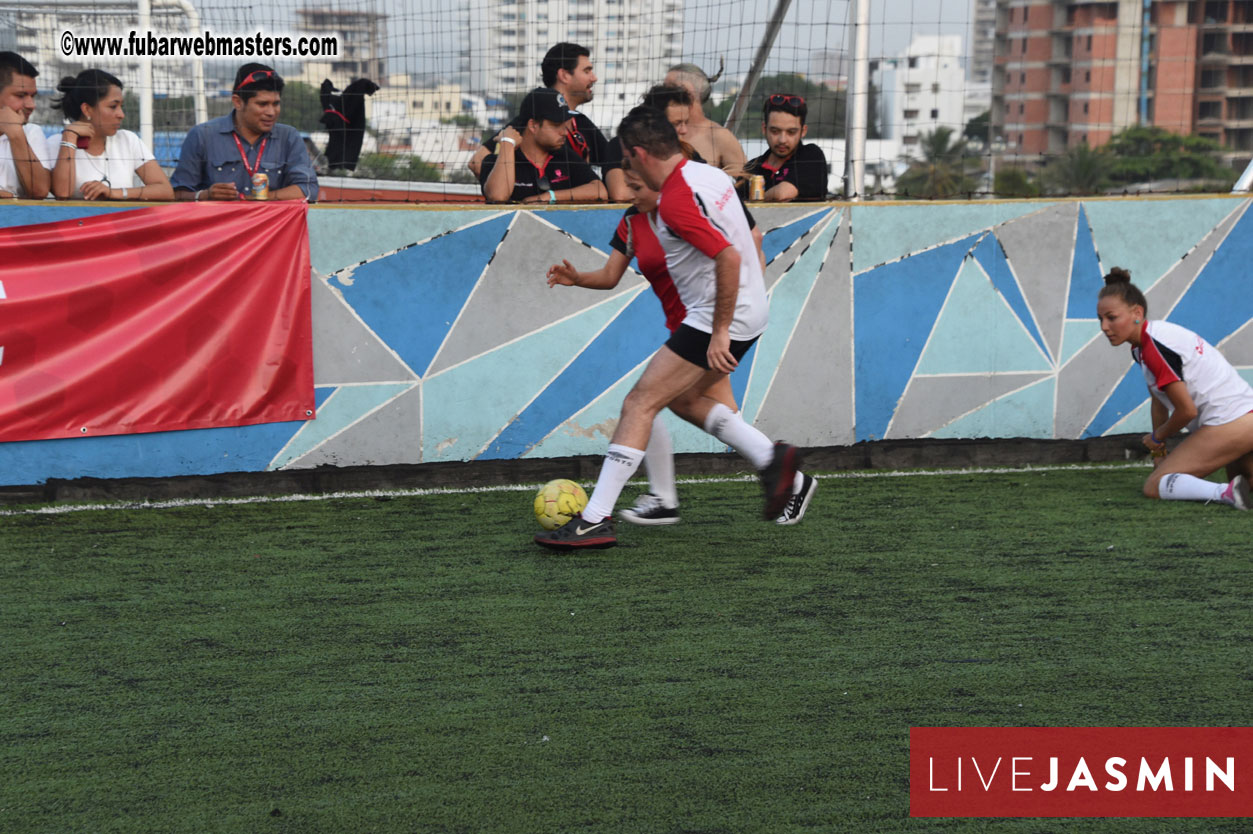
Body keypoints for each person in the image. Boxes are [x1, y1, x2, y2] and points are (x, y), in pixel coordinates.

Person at [534, 106, 802, 550]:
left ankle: (596, 518)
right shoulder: (707, 176)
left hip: (719, 317)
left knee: (640, 402)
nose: (628, 181)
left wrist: (719, 331)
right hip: (739, 312)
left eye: (629, 165)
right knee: (682, 400)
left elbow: (729, 256)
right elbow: (740, 241)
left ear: (639, 153)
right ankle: (770, 461)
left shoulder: (676, 198)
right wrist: (578, 277)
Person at [1097, 267, 1253, 509]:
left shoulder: (1154, 347)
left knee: (1154, 485)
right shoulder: (1145, 345)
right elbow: (1159, 402)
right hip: (1243, 419)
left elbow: (1186, 411)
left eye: (1111, 317)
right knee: (1245, 481)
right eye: (1101, 319)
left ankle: (1225, 493)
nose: (1104, 327)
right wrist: (1159, 453)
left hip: (1231, 421)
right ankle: (1233, 488)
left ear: (1137, 312)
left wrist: (1157, 437)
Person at [171, 63, 318, 202]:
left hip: (270, 226)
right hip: (220, 226)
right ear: (237, 102)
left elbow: (308, 189)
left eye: (276, 104)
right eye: (262, 104)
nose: (271, 112)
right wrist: (204, 195)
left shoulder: (289, 137)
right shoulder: (202, 135)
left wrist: (262, 198)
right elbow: (177, 193)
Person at [468, 42, 610, 180]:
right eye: (587, 71)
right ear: (564, 75)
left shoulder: (581, 123)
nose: (594, 78)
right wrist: (520, 190)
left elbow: (614, 163)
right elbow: (477, 162)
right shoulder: (529, 121)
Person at [51, 69, 173, 201]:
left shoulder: (128, 140)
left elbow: (165, 190)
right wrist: (69, 138)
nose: (121, 115)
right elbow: (62, 193)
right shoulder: (57, 143)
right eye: (113, 106)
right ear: (87, 109)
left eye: (121, 106)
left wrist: (115, 193)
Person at [479, 86, 607, 204]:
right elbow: (498, 197)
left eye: (565, 125)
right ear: (533, 125)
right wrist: (507, 143)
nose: (564, 132)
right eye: (556, 125)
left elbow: (600, 191)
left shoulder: (566, 157)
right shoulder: (493, 162)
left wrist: (550, 196)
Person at [604, 83, 695, 202]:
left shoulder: (686, 149)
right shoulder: (621, 145)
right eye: (676, 124)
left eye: (686, 122)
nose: (684, 130)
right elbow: (621, 194)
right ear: (657, 122)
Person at [664, 62, 747, 179]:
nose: (661, 93)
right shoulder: (656, 131)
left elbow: (745, 185)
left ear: (688, 92)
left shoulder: (719, 136)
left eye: (668, 88)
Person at [739, 93, 828, 202]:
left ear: (803, 131)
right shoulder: (752, 167)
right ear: (764, 128)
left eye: (791, 132)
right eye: (775, 131)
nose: (782, 140)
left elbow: (782, 193)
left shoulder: (812, 155)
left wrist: (755, 200)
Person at [0, 51, 52, 199]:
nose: (31, 105)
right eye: (21, 96)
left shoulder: (31, 132)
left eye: (33, 96)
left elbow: (40, 191)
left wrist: (16, 135)